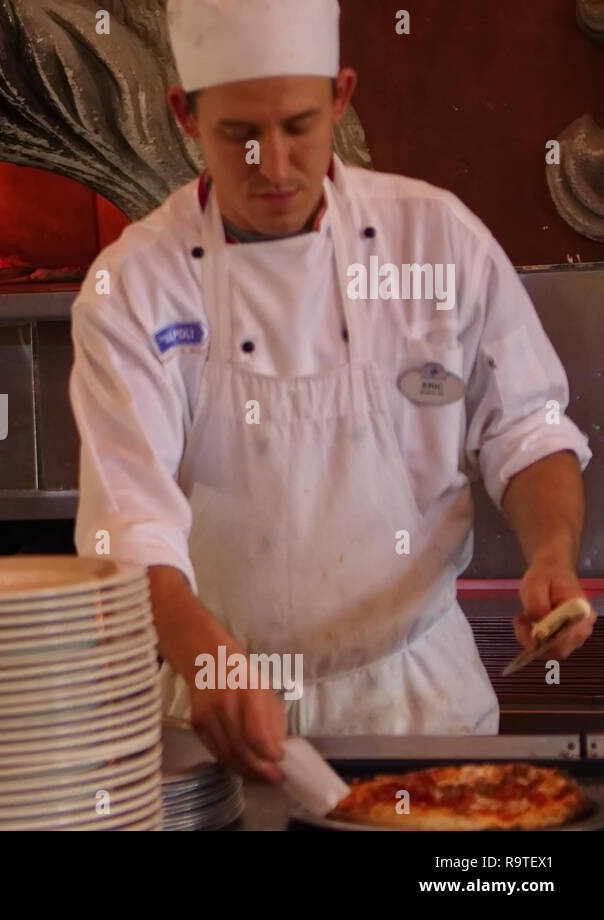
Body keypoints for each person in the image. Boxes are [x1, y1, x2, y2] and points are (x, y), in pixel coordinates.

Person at [70, 0, 596, 781]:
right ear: (186, 115)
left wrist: (551, 551)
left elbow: (528, 428)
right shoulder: (137, 286)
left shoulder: (436, 239)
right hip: (213, 718)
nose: (274, 167)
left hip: (422, 709)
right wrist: (205, 658)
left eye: (298, 126)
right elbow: (131, 526)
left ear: (342, 97)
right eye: (240, 135)